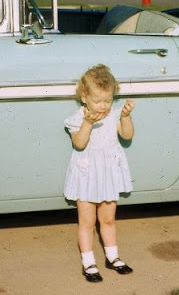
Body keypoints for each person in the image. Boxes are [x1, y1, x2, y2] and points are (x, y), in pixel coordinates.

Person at [64, 64, 136, 283]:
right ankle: (88, 262)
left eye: (108, 100)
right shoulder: (78, 118)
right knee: (87, 221)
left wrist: (125, 117)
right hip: (87, 175)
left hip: (108, 173)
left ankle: (113, 257)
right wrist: (87, 123)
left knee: (108, 219)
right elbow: (79, 143)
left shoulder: (113, 115)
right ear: (84, 97)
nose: (103, 106)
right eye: (98, 101)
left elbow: (127, 135)